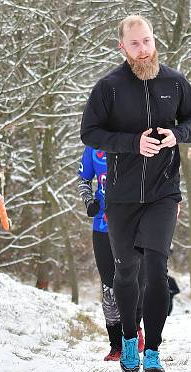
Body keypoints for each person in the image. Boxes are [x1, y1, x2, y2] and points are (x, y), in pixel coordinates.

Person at [80, 14, 191, 372]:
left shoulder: (174, 81)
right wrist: (133, 144)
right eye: (135, 44)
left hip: (164, 192)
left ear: (154, 41)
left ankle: (153, 351)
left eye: (147, 41)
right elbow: (90, 133)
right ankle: (129, 339)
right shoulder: (110, 87)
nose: (143, 49)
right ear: (123, 47)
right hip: (120, 196)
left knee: (156, 268)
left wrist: (177, 134)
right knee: (126, 272)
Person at [77, 146, 146, 361]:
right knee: (109, 286)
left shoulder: (134, 140)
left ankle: (134, 328)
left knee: (134, 279)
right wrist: (89, 201)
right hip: (102, 225)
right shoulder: (93, 148)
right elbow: (83, 180)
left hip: (133, 224)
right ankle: (116, 344)